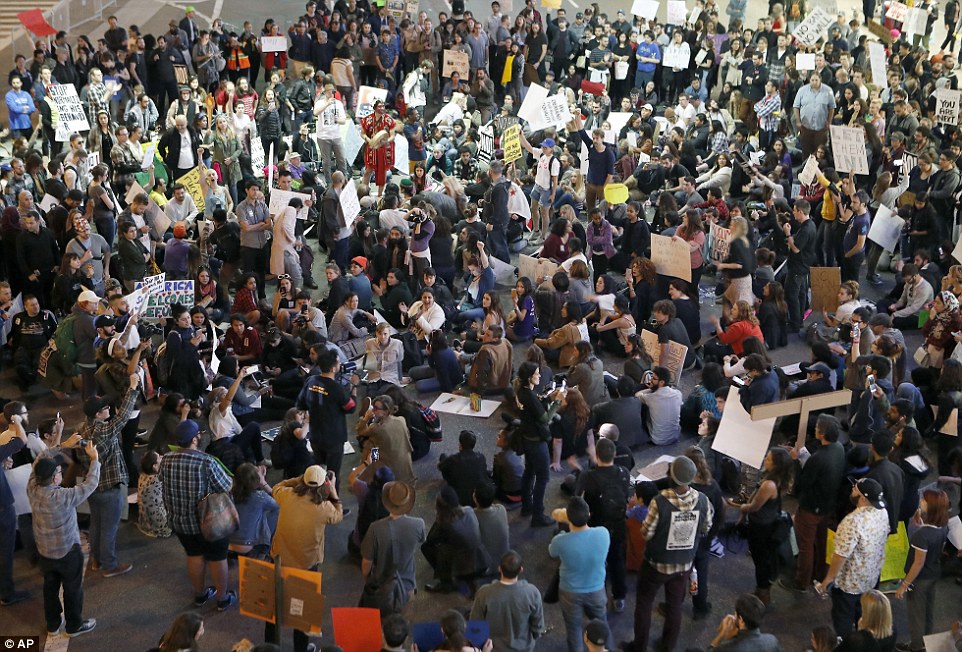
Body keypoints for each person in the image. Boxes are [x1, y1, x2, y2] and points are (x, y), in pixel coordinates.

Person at [624, 456, 713, 652]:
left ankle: (639, 646)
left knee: (644, 603)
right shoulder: (703, 501)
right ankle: (667, 646)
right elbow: (706, 528)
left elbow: (647, 532)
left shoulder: (659, 501)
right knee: (674, 607)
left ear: (671, 476)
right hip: (684, 564)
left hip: (656, 563)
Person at [159, 420, 236, 612]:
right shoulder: (206, 462)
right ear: (195, 439)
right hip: (208, 522)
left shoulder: (166, 459)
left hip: (180, 521)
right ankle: (222, 598)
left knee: (194, 555)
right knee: (218, 557)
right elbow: (227, 486)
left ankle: (201, 594)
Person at [28, 439, 101, 637]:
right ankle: (74, 625)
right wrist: (94, 459)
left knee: (50, 588)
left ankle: (52, 625)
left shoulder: (32, 489)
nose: (61, 474)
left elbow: (37, 464)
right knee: (72, 589)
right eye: (59, 472)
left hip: (45, 552)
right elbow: (90, 484)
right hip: (68, 551)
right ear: (53, 479)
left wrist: (60, 444)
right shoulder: (63, 497)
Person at [269, 465, 344, 650]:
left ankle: (270, 646)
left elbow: (277, 486)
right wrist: (333, 489)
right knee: (301, 613)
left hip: (280, 559)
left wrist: (298, 480)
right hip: (307, 564)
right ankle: (300, 648)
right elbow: (338, 515)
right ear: (323, 485)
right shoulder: (324, 507)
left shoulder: (286, 496)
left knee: (272, 609)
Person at [78, 373, 140, 579]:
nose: (109, 409)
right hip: (109, 486)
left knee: (96, 524)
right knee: (109, 529)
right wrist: (132, 388)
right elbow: (123, 417)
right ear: (97, 414)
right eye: (104, 408)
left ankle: (96, 560)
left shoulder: (83, 430)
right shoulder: (103, 430)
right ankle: (109, 565)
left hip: (93, 486)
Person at [816, 478, 890, 637]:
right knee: (864, 614)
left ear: (863, 498)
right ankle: (864, 641)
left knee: (842, 617)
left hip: (850, 583)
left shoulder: (852, 522)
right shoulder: (882, 512)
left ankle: (845, 644)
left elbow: (841, 555)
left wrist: (828, 578)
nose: (852, 490)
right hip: (871, 577)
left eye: (855, 488)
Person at [785, 414, 846, 593]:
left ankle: (801, 581)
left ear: (821, 433)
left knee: (805, 545)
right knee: (821, 541)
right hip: (827, 505)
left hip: (811, 507)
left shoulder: (818, 458)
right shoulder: (839, 448)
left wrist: (797, 460)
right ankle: (819, 574)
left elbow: (803, 483)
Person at [730, 448, 793, 606]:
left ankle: (763, 592)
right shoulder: (779, 480)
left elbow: (755, 506)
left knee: (761, 560)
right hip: (768, 522)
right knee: (763, 559)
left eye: (769, 458)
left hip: (761, 527)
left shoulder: (769, 485)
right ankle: (762, 590)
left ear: (776, 465)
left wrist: (742, 508)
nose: (765, 458)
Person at [548, 496, 612, 652]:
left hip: (569, 591)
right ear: (589, 515)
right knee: (602, 626)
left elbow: (551, 552)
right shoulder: (603, 533)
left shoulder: (560, 541)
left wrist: (563, 517)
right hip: (597, 589)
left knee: (573, 629)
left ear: (568, 519)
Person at [575, 438, 631, 612]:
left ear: (596, 455)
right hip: (618, 524)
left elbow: (577, 500)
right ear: (614, 454)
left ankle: (597, 600)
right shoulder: (624, 472)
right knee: (617, 560)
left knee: (595, 563)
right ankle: (619, 597)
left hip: (595, 525)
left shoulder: (587, 476)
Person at [360, 481, 426, 615]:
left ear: (387, 501)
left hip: (381, 583)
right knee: (404, 614)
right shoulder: (418, 524)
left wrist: (367, 578)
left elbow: (367, 562)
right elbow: (422, 540)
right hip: (407, 583)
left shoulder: (375, 528)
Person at [895, 489, 949, 652]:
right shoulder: (944, 526)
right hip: (934, 572)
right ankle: (927, 642)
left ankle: (916, 646)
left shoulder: (921, 536)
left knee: (916, 616)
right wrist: (922, 524)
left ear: (931, 507)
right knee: (928, 612)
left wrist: (904, 585)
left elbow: (918, 563)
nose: (920, 501)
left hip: (920, 579)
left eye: (924, 501)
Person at [296, 350, 357, 492]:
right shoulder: (336, 388)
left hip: (316, 436)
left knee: (318, 470)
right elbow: (351, 407)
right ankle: (332, 504)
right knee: (332, 473)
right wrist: (354, 387)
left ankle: (318, 498)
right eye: (338, 362)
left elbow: (301, 404)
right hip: (334, 438)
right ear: (333, 368)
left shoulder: (311, 381)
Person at [515, 361, 563, 527]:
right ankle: (538, 514)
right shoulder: (529, 396)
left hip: (526, 438)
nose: (540, 376)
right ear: (529, 377)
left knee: (529, 472)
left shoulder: (522, 391)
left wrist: (548, 397)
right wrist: (556, 402)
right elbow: (544, 419)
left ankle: (526, 506)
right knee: (543, 477)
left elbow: (534, 408)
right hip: (537, 442)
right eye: (536, 374)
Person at [470, 550, 544, 652]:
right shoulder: (532, 592)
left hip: (494, 648)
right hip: (524, 648)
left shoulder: (484, 593)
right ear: (521, 570)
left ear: (499, 568)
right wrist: (536, 633)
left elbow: (475, 624)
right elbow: (537, 625)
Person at [422, 484, 490, 593]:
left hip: (463, 564)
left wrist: (438, 518)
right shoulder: (469, 510)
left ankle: (446, 582)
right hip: (480, 558)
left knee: (426, 547)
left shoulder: (445, 524)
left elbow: (431, 539)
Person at [0, 405, 29, 607]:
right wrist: (17, 420)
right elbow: (21, 440)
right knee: (5, 551)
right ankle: (7, 593)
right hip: (2, 506)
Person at [707, 594, 781, 652]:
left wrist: (721, 635)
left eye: (735, 613)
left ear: (741, 620)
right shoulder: (772, 640)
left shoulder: (728, 648)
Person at [438, 430, 490, 507]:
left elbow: (440, 466)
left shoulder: (453, 459)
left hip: (459, 498)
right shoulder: (481, 457)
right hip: (478, 497)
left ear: (460, 445)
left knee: (443, 457)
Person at [636, 366, 683, 446]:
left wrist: (650, 389)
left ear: (662, 382)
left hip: (658, 439)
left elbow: (637, 395)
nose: (651, 380)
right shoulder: (678, 394)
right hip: (675, 436)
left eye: (654, 379)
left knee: (642, 405)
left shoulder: (652, 397)